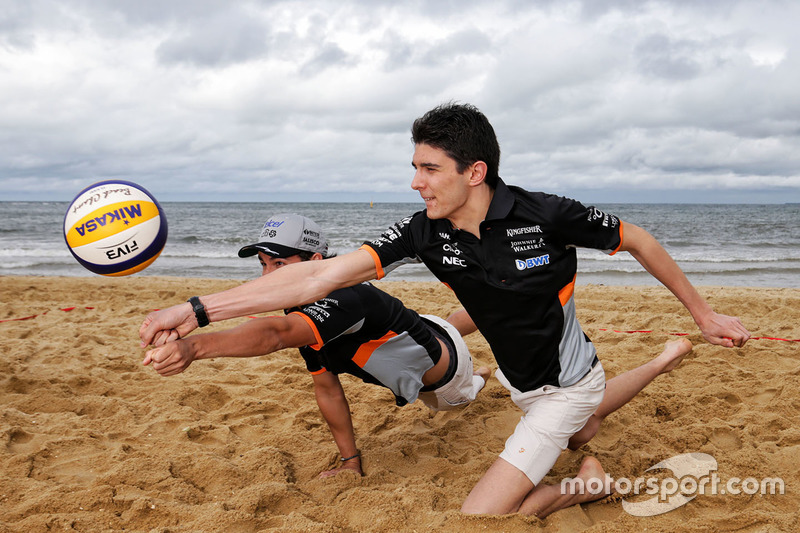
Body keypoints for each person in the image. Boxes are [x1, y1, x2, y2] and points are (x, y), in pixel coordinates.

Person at [140, 103, 750, 518]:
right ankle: (664, 360)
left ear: (474, 172)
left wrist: (703, 314)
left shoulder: (546, 213)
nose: (416, 182)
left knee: (484, 512)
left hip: (566, 378)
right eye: (414, 167)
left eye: (429, 169)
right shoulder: (422, 232)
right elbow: (319, 275)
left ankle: (586, 486)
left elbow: (637, 238)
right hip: (519, 377)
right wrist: (197, 310)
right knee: (580, 423)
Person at [141, 213, 490, 478]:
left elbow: (276, 334)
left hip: (447, 383)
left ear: (315, 263)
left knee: (468, 378)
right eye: (264, 265)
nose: (268, 276)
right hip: (421, 329)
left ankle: (485, 369)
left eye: (279, 264)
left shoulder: (343, 300)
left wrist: (193, 348)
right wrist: (350, 462)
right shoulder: (305, 310)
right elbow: (327, 387)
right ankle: (495, 307)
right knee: (452, 322)